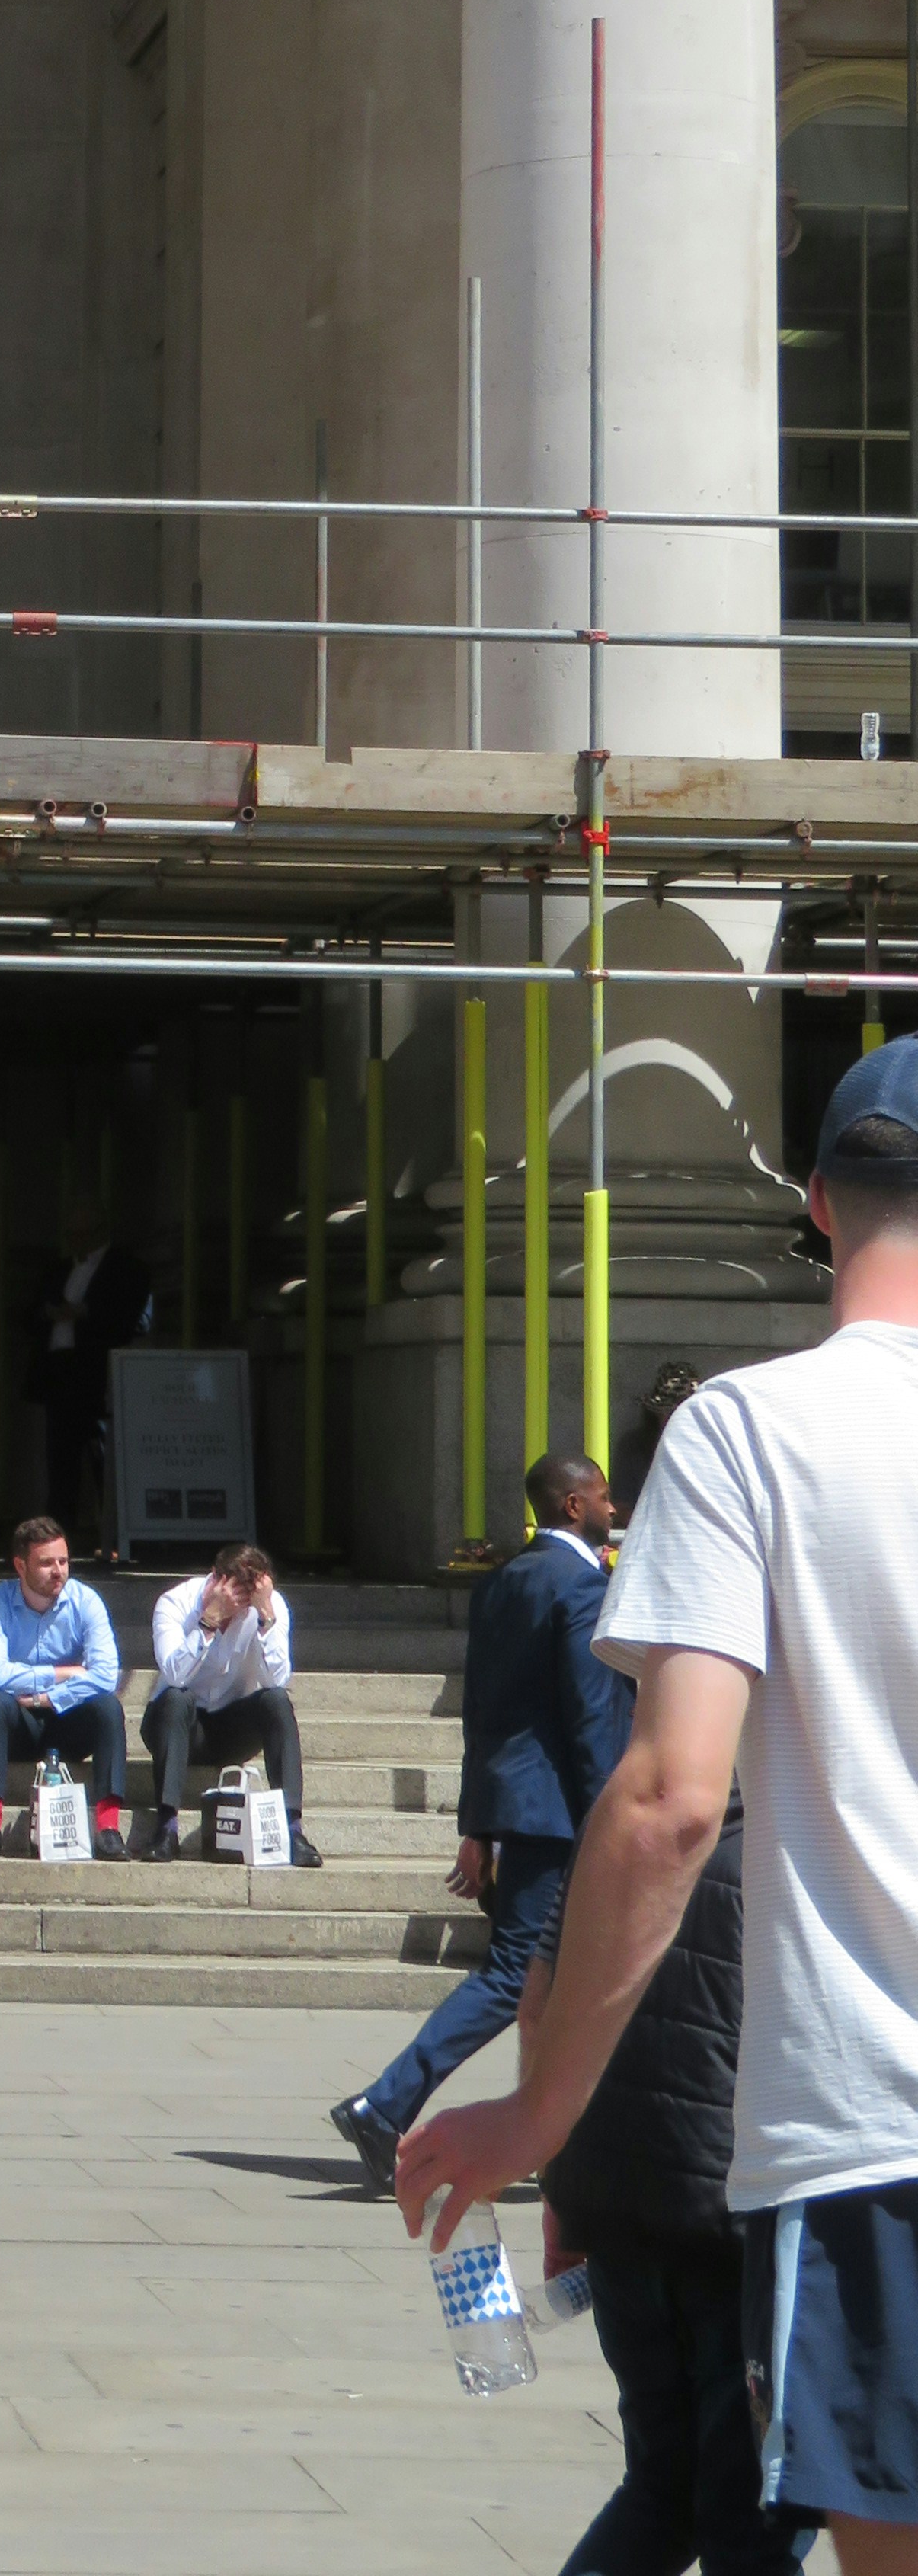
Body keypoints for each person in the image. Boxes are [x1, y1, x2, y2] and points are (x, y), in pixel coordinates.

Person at [402, 1035, 918, 2568]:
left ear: (818, 1202)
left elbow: (670, 1802)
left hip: (875, 2129)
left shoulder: (754, 1431)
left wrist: (538, 2111)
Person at [331, 1450, 629, 2192]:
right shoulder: (582, 1587)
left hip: (514, 1807)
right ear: (571, 1506)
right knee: (516, 1974)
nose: (614, 1507)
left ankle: (569, 2138)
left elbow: (484, 1715)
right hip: (560, 1816)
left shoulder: (503, 1583)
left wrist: (479, 1822)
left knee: (552, 1980)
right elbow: (590, 1719)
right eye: (602, 1496)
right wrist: (613, 1818)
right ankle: (383, 2104)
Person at [536, 1799, 801, 2576]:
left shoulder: (614, 1816)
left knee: (659, 2489)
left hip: (614, 2195)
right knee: (748, 2517)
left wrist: (556, 2185)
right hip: (735, 2219)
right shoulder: (798, 1832)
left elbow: (538, 2000)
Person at [140, 1544, 323, 1867]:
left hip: (232, 1729)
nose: (239, 1609)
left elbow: (277, 1680)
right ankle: (166, 1827)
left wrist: (266, 1618)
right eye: (236, 1596)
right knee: (177, 1697)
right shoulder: (175, 1603)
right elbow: (174, 1674)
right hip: (176, 1724)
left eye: (247, 1599)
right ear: (215, 1581)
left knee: (277, 1701)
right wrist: (209, 1622)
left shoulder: (269, 1607)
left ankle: (293, 1828)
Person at [0, 1516, 130, 1858]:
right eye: (46, 1563)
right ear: (20, 1566)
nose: (58, 1571)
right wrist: (66, 1673)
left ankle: (109, 1828)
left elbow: (106, 1675)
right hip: (21, 1723)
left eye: (63, 1561)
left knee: (108, 1708)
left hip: (70, 1720)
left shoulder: (86, 1602)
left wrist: (48, 1698)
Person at [30, 1217, 152, 1538]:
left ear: (100, 1230)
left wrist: (85, 1312)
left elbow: (137, 1319)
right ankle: (58, 1538)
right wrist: (49, 1313)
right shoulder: (58, 1269)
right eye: (70, 1232)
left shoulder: (125, 1268)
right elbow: (32, 1310)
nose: (74, 1238)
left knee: (105, 1457)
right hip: (60, 1370)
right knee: (60, 1460)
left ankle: (114, 1535)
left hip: (99, 1373)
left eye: (80, 1231)